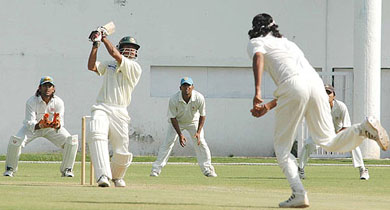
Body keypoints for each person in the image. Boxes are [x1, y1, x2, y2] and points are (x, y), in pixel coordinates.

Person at [247, 13, 389, 208]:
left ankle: (298, 193)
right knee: (328, 141)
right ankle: (362, 128)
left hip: (293, 87)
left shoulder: (256, 42)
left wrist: (257, 92)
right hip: (316, 84)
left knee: (282, 150)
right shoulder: (289, 44)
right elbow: (299, 84)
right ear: (274, 27)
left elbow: (259, 58)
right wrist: (269, 106)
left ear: (256, 28)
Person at [87, 28, 142, 187]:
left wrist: (103, 38)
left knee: (122, 151)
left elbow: (115, 54)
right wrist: (95, 45)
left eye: (133, 49)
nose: (130, 50)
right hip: (102, 106)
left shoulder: (134, 67)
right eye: (127, 47)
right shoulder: (109, 64)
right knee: (96, 133)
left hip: (120, 110)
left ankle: (117, 176)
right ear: (120, 47)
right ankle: (102, 175)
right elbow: (92, 67)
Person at [3, 76, 78, 178]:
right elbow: (30, 122)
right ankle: (10, 169)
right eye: (44, 86)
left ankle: (67, 169)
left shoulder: (59, 102)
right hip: (33, 129)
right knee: (16, 141)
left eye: (49, 86)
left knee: (71, 141)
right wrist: (40, 125)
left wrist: (56, 124)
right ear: (39, 88)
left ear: (53, 88)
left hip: (50, 129)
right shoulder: (31, 101)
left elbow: (60, 121)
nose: (47, 88)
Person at [298, 84, 369, 180]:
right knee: (308, 144)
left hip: (340, 133)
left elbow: (346, 126)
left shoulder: (341, 106)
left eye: (329, 93)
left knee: (353, 143)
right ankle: (300, 170)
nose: (326, 95)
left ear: (334, 96)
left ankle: (363, 169)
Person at [150, 77, 217, 177]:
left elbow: (202, 115)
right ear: (180, 87)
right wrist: (180, 135)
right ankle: (156, 169)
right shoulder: (174, 99)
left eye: (188, 86)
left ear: (192, 87)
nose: (186, 88)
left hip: (193, 122)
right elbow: (172, 118)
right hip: (177, 122)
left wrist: (198, 132)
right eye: (184, 86)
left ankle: (208, 169)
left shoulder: (199, 98)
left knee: (201, 143)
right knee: (168, 143)